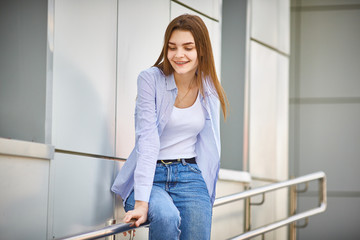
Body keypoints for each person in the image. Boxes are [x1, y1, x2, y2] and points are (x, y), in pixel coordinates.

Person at [111, 14, 228, 240]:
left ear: (201, 50)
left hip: (190, 175)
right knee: (166, 217)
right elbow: (147, 140)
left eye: (188, 47)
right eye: (172, 47)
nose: (179, 55)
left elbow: (211, 145)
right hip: (151, 175)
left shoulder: (208, 86)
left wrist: (206, 189)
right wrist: (142, 202)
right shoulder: (150, 80)